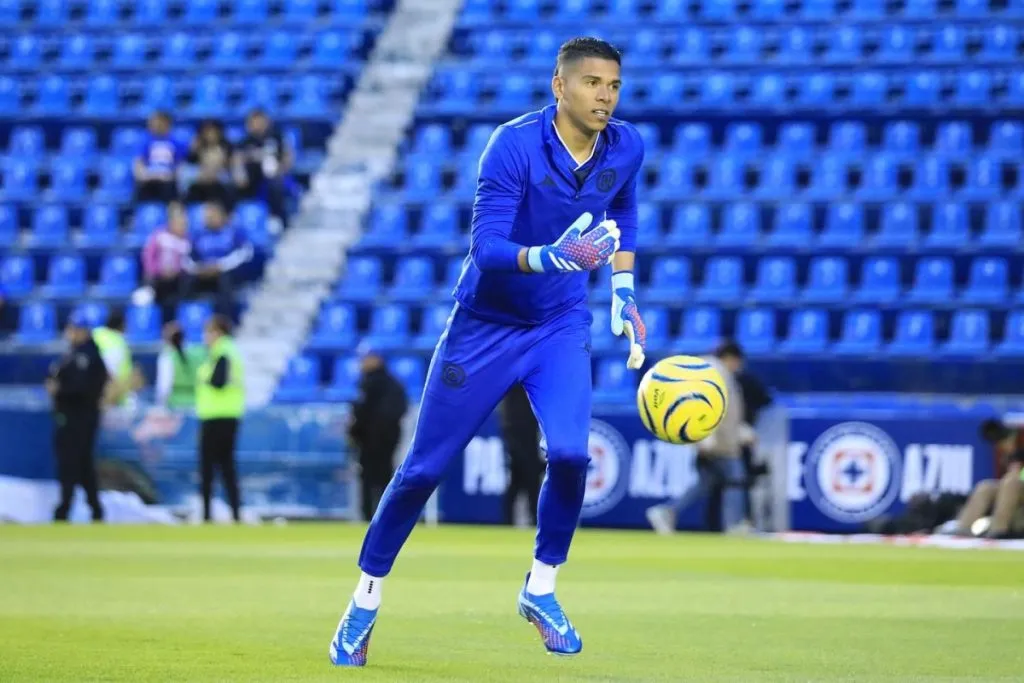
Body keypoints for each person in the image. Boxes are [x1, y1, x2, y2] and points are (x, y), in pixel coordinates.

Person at [328, 37, 646, 666]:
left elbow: (625, 209)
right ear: (559, 86)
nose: (604, 97)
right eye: (591, 84)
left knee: (575, 454)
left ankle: (541, 588)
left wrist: (624, 288)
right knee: (421, 470)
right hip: (484, 326)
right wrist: (550, 257)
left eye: (612, 85)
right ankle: (363, 601)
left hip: (558, 324)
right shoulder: (513, 145)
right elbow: (487, 247)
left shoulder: (627, 145)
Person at [644, 341, 754, 536]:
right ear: (731, 358)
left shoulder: (712, 370)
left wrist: (738, 430)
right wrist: (705, 436)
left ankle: (667, 511)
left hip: (720, 440)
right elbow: (705, 405)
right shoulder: (715, 372)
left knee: (706, 482)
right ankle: (734, 524)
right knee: (736, 479)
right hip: (719, 443)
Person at [46, 311, 110, 522]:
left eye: (73, 329)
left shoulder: (87, 356)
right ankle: (94, 508)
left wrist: (59, 390)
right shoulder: (74, 353)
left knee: (71, 462)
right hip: (74, 416)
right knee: (82, 464)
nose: (69, 333)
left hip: (79, 417)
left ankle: (65, 507)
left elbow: (82, 388)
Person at [347, 344, 408, 521]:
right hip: (384, 439)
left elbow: (362, 412)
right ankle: (381, 516)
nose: (362, 362)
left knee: (373, 479)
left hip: (375, 440)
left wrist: (356, 432)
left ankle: (371, 516)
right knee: (381, 478)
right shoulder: (391, 384)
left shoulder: (371, 384)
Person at [195, 314, 245, 522]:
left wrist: (205, 378)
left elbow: (218, 381)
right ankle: (235, 514)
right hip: (230, 414)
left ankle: (207, 514)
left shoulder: (222, 351)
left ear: (218, 332)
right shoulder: (229, 351)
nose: (206, 337)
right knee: (227, 468)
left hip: (216, 416)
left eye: (209, 331)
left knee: (209, 468)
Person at [180, 199, 253, 318]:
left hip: (225, 272)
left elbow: (244, 253)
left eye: (212, 216)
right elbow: (187, 258)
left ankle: (226, 320)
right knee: (186, 281)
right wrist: (198, 268)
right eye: (206, 216)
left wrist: (221, 266)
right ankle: (188, 319)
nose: (208, 219)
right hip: (202, 272)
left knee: (226, 281)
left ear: (222, 216)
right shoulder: (198, 235)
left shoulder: (233, 233)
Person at [499, 382, 543, 526]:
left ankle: (509, 521)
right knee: (530, 475)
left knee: (518, 478)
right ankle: (533, 519)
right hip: (517, 427)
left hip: (523, 427)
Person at [141, 202, 191, 324]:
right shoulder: (159, 236)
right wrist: (157, 270)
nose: (181, 226)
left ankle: (180, 320)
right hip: (159, 276)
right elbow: (148, 256)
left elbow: (190, 261)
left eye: (184, 224)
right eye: (179, 223)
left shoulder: (188, 240)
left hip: (179, 276)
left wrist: (178, 270)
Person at [133, 110, 185, 205]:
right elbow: (138, 164)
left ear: (167, 123)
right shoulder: (145, 142)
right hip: (148, 180)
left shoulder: (176, 143)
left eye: (158, 121)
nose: (154, 124)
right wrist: (147, 175)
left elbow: (180, 166)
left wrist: (170, 176)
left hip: (168, 181)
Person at [154, 320, 206, 409]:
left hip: (175, 405)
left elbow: (164, 387)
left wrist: (160, 405)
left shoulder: (167, 357)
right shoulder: (199, 353)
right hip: (197, 404)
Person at [92, 309, 135, 407]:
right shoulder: (116, 343)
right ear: (121, 325)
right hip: (113, 399)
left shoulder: (95, 333)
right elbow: (110, 372)